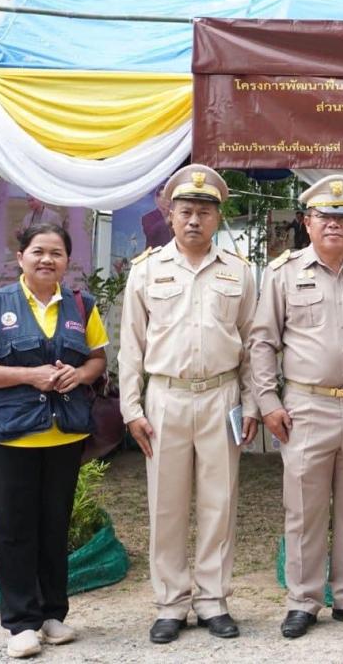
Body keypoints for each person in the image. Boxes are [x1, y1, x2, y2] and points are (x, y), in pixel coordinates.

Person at [251, 175, 343, 639]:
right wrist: (268, 401)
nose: (334, 224)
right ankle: (303, 600)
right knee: (303, 510)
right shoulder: (283, 273)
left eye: (342, 216)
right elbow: (262, 343)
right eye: (324, 216)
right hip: (305, 407)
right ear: (306, 222)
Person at [119, 164, 259, 644]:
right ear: (171, 216)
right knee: (167, 504)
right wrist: (131, 409)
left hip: (222, 396)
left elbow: (252, 342)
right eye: (186, 211)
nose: (194, 220)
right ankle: (171, 604)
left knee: (220, 503)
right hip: (166, 397)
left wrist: (254, 403)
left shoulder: (240, 273)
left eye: (204, 211)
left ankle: (214, 601)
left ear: (218, 218)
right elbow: (130, 346)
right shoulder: (146, 271)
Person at [0, 223, 107, 659]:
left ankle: (52, 614)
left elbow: (97, 358)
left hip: (63, 436)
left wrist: (79, 375)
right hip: (11, 437)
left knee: (54, 527)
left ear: (67, 261)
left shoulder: (81, 305)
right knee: (14, 530)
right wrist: (29, 375)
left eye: (56, 253)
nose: (47, 259)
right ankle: (20, 622)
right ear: (20, 256)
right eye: (38, 251)